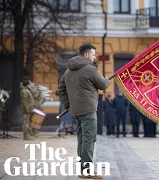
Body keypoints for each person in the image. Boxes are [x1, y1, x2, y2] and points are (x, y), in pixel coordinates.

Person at [58, 43, 110, 179]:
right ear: (86, 55)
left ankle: (83, 169)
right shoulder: (90, 69)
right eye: (93, 55)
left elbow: (61, 88)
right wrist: (105, 79)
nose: (94, 58)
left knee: (82, 139)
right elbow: (103, 84)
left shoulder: (68, 71)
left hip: (76, 110)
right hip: (88, 109)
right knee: (89, 139)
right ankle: (87, 170)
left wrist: (68, 104)